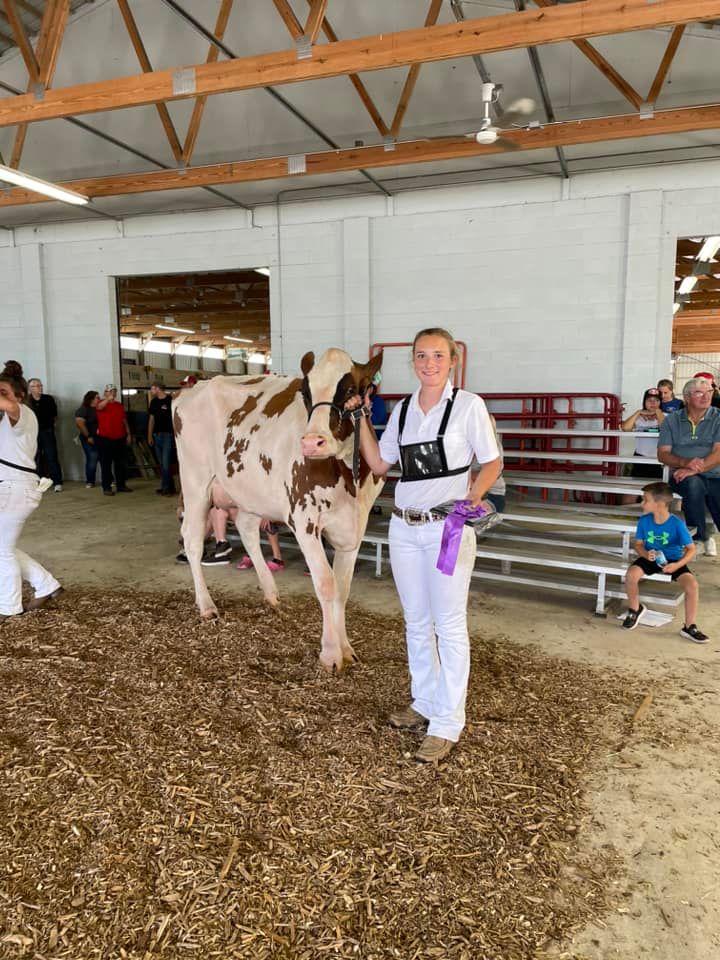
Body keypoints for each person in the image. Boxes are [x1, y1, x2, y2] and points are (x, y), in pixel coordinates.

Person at [348, 328, 501, 764]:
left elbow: (492, 462)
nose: (428, 363)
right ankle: (425, 702)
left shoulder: (469, 406)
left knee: (448, 624)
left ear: (451, 359)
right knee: (416, 621)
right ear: (412, 362)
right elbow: (380, 463)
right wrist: (361, 418)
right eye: (421, 356)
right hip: (404, 528)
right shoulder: (401, 410)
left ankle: (449, 720)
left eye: (437, 355)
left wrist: (471, 499)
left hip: (447, 528)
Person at [0, 361, 63, 621]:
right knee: (4, 546)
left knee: (1, 550)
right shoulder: (8, 419)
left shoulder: (22, 413)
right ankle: (46, 584)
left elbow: (9, 406)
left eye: (3, 392)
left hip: (15, 487)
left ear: (20, 394)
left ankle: (8, 606)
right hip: (13, 486)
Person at [622, 482, 707, 643]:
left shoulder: (677, 524)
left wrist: (677, 565)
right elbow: (638, 544)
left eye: (645, 500)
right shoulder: (644, 521)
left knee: (692, 585)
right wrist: (646, 555)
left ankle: (689, 626)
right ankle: (635, 609)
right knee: (631, 575)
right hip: (651, 557)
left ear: (659, 504)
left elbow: (691, 549)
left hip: (674, 559)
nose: (642, 503)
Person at [657, 377, 720, 557]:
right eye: (699, 392)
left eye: (709, 392)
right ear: (686, 397)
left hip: (715, 474)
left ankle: (704, 536)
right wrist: (685, 463)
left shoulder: (718, 417)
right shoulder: (672, 420)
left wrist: (695, 468)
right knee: (693, 484)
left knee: (710, 489)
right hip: (683, 476)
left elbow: (718, 453)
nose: (706, 396)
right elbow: (662, 454)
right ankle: (699, 537)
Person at [620, 387, 664, 504]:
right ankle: (624, 518)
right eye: (649, 400)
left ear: (661, 402)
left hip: (659, 461)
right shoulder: (639, 417)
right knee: (632, 491)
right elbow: (625, 428)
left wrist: (658, 412)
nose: (653, 403)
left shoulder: (666, 416)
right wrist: (638, 412)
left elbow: (666, 429)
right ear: (644, 402)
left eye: (656, 400)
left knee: (657, 495)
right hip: (640, 458)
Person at [27, 378, 63, 492]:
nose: (39, 387)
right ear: (30, 388)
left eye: (40, 385)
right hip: (32, 433)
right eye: (36, 386)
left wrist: (51, 426)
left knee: (51, 456)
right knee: (33, 458)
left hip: (47, 431)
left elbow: (54, 416)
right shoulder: (26, 401)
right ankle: (35, 482)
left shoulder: (48, 399)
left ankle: (57, 482)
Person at [96, 385, 132, 497]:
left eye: (114, 391)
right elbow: (99, 408)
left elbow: (124, 420)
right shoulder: (100, 403)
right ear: (105, 393)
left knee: (120, 463)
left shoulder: (119, 406)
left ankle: (121, 485)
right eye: (110, 391)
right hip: (105, 438)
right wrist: (107, 399)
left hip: (119, 437)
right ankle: (106, 487)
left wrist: (128, 434)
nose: (113, 393)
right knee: (106, 464)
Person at [147, 381, 175, 496]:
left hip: (167, 434)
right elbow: (151, 419)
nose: (151, 391)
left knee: (166, 463)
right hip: (157, 435)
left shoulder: (170, 401)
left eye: (152, 389)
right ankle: (168, 485)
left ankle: (166, 488)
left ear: (158, 389)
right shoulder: (153, 402)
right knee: (162, 463)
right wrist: (149, 435)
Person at [75, 390, 100, 488]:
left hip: (101, 437)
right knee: (92, 458)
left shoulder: (99, 408)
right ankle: (90, 481)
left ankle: (108, 479)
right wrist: (88, 436)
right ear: (91, 399)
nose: (99, 399)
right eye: (97, 397)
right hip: (89, 437)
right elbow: (80, 424)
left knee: (104, 458)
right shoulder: (83, 409)